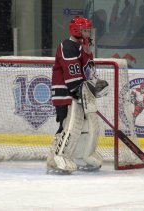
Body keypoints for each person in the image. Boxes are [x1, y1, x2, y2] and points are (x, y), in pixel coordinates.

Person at [47, 16, 109, 174]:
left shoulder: (85, 47)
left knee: (86, 128)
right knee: (67, 126)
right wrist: (81, 91)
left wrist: (95, 86)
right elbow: (72, 74)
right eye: (85, 30)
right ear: (76, 30)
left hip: (82, 93)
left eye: (88, 30)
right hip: (67, 93)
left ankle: (82, 156)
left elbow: (89, 73)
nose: (88, 32)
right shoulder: (67, 46)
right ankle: (54, 159)